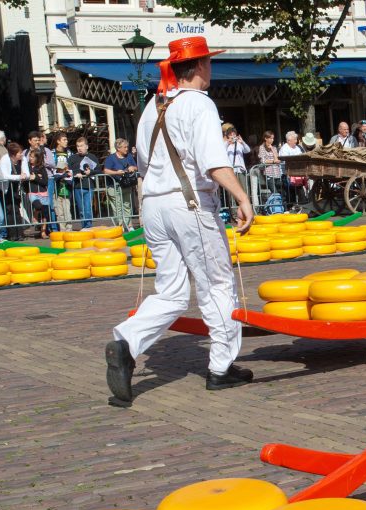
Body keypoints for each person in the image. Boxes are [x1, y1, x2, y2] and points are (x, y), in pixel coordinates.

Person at [107, 36, 255, 403]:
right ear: (200, 66)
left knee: (171, 292)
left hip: (155, 205)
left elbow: (143, 164)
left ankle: (126, 341)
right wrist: (242, 197)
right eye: (208, 63)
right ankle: (220, 367)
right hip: (189, 205)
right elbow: (214, 162)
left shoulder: (152, 107)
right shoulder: (199, 105)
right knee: (217, 284)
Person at [103, 138, 139, 226]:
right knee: (117, 207)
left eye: (127, 147)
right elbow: (105, 171)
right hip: (113, 186)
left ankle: (127, 225)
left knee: (127, 205)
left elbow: (136, 167)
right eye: (124, 147)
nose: (127, 149)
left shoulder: (129, 156)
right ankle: (120, 225)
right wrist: (116, 173)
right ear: (118, 148)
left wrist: (132, 168)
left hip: (126, 185)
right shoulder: (111, 158)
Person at [0, 142, 30, 239]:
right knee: (9, 210)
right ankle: (11, 234)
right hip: (7, 188)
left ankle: (19, 233)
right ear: (13, 154)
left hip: (17, 187)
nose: (21, 154)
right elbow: (5, 175)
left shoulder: (23, 159)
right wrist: (19, 176)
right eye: (19, 153)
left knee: (17, 209)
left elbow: (26, 173)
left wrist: (24, 175)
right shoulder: (5, 159)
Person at [68, 137, 99, 229]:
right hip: (78, 187)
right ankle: (84, 227)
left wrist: (91, 172)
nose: (79, 148)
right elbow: (67, 170)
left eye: (81, 146)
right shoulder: (72, 158)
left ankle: (88, 226)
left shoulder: (92, 157)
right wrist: (75, 173)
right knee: (81, 209)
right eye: (77, 146)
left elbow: (99, 170)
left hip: (89, 186)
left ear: (87, 146)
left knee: (88, 208)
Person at [27, 148, 54, 237]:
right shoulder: (27, 167)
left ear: (38, 158)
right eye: (30, 156)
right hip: (33, 192)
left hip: (42, 192)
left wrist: (36, 178)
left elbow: (45, 182)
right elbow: (26, 178)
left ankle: (43, 231)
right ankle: (34, 216)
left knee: (44, 212)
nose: (30, 158)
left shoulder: (42, 168)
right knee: (38, 205)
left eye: (33, 157)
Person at [51, 133, 73, 230]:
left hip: (66, 185)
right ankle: (62, 231)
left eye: (66, 139)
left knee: (67, 210)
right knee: (59, 212)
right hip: (56, 185)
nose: (66, 141)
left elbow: (72, 166)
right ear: (58, 141)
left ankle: (69, 230)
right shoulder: (52, 153)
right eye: (64, 140)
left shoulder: (69, 153)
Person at [257, 131, 283, 195]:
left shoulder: (274, 147)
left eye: (273, 138)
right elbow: (263, 160)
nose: (272, 140)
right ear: (266, 138)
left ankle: (280, 204)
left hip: (277, 173)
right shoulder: (262, 147)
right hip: (269, 173)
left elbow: (277, 159)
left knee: (280, 191)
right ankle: (276, 204)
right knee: (274, 192)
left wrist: (272, 149)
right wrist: (273, 161)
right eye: (270, 138)